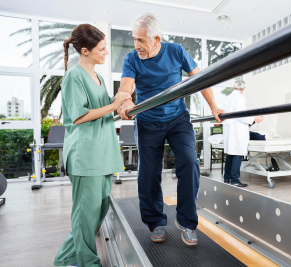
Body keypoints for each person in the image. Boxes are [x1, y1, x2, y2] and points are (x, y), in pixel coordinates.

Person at [116, 13, 224, 246]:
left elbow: (201, 80)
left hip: (177, 118)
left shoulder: (176, 51)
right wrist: (125, 102)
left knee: (189, 162)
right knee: (148, 173)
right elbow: (125, 89)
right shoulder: (132, 59)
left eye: (141, 40)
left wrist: (214, 107)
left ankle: (186, 221)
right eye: (134, 39)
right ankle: (156, 222)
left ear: (156, 39)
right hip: (146, 120)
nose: (137, 45)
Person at [54, 24, 131, 267]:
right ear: (85, 50)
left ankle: (65, 258)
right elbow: (78, 116)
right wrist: (113, 103)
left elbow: (103, 110)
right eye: (102, 49)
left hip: (103, 151)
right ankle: (87, 262)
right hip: (85, 154)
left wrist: (120, 108)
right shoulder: (73, 76)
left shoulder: (97, 77)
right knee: (85, 214)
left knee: (96, 212)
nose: (106, 53)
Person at [223, 79, 263, 187]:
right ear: (244, 88)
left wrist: (250, 121)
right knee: (237, 153)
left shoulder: (227, 98)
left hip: (229, 128)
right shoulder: (240, 98)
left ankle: (227, 178)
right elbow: (242, 114)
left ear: (233, 86)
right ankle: (235, 180)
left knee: (230, 154)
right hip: (237, 129)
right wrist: (255, 118)